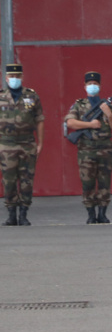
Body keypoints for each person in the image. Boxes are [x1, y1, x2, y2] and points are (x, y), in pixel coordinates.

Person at [64, 71, 112, 224]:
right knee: (87, 183)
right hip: (87, 151)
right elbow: (70, 123)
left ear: (100, 86)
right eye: (90, 84)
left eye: (95, 84)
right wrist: (90, 124)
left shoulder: (107, 105)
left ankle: (102, 214)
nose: (92, 86)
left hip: (105, 150)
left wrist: (109, 115)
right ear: (85, 86)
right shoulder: (79, 105)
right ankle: (90, 214)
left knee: (104, 183)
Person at [0, 64, 44, 226]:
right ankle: (11, 214)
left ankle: (24, 214)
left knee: (27, 180)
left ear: (22, 77)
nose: (15, 79)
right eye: (11, 76)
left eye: (17, 76)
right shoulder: (1, 96)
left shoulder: (31, 96)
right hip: (6, 145)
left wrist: (40, 143)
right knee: (9, 180)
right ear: (6, 78)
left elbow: (39, 120)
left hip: (27, 144)